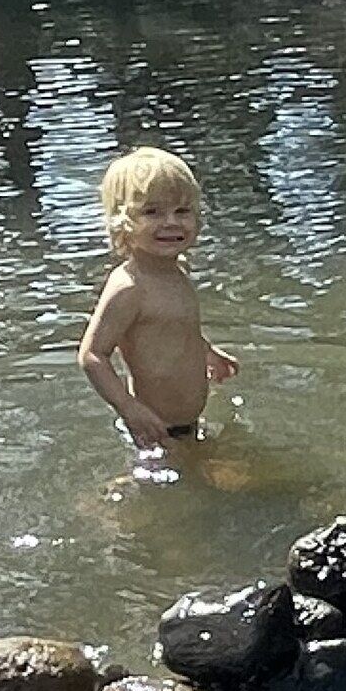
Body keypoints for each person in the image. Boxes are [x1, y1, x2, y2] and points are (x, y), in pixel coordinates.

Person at [82, 146, 237, 479]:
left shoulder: (176, 271)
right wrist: (129, 408)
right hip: (154, 427)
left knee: (202, 480)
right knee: (158, 490)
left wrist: (206, 351)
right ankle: (107, 501)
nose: (171, 222)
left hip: (187, 422)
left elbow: (175, 328)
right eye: (152, 212)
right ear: (123, 221)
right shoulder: (129, 287)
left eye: (182, 210)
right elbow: (92, 355)